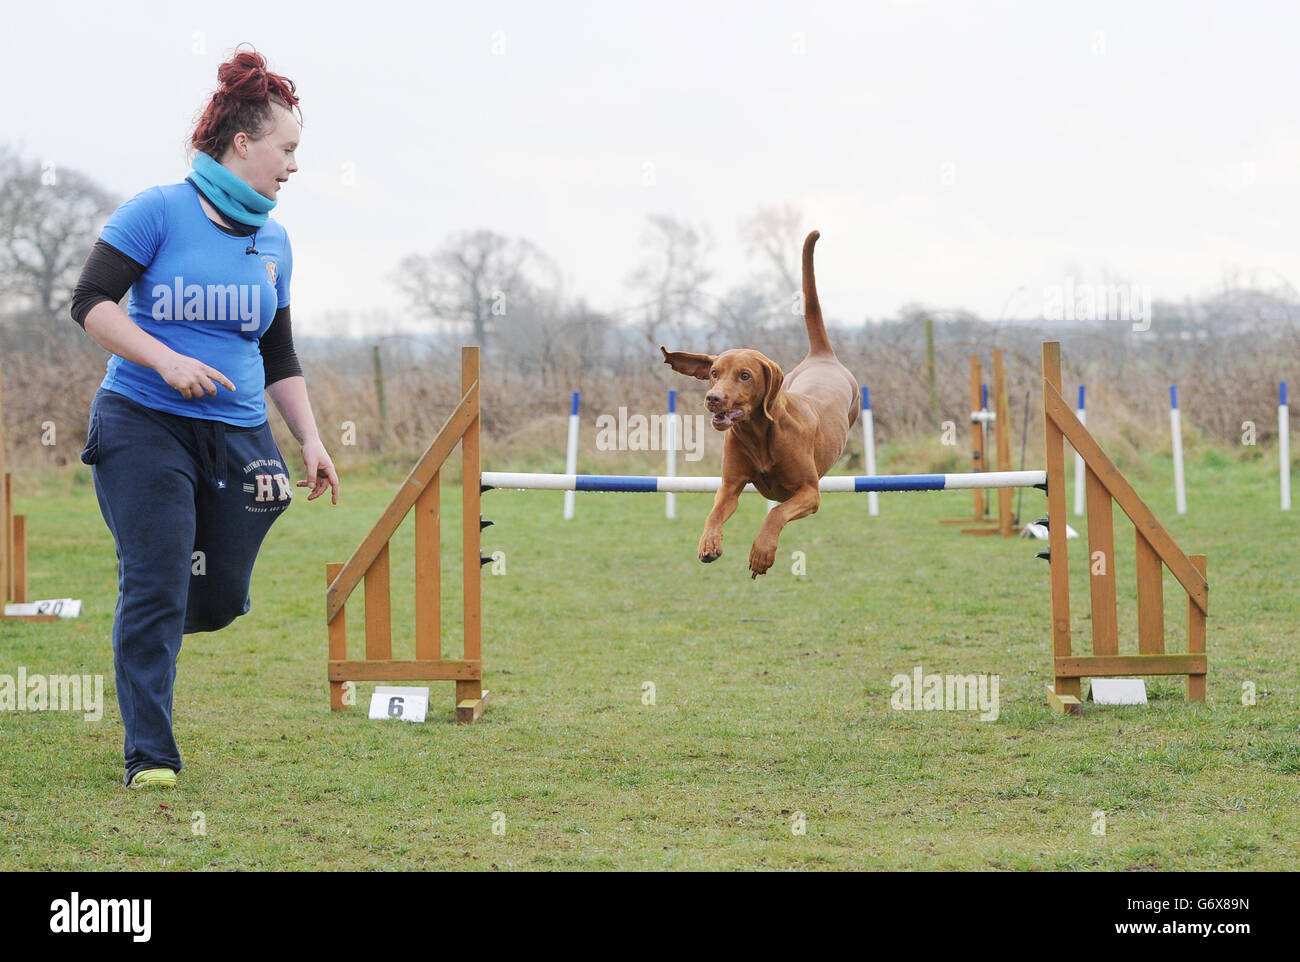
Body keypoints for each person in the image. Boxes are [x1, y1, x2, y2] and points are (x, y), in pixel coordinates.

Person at [70, 47, 339, 789]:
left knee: (214, 595)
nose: (293, 166)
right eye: (286, 150)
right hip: (143, 420)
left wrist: (310, 439)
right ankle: (150, 754)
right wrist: (164, 360)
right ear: (242, 143)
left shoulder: (274, 241)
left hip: (239, 431)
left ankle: (150, 616)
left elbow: (279, 353)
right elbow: (89, 303)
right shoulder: (157, 211)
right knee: (157, 579)